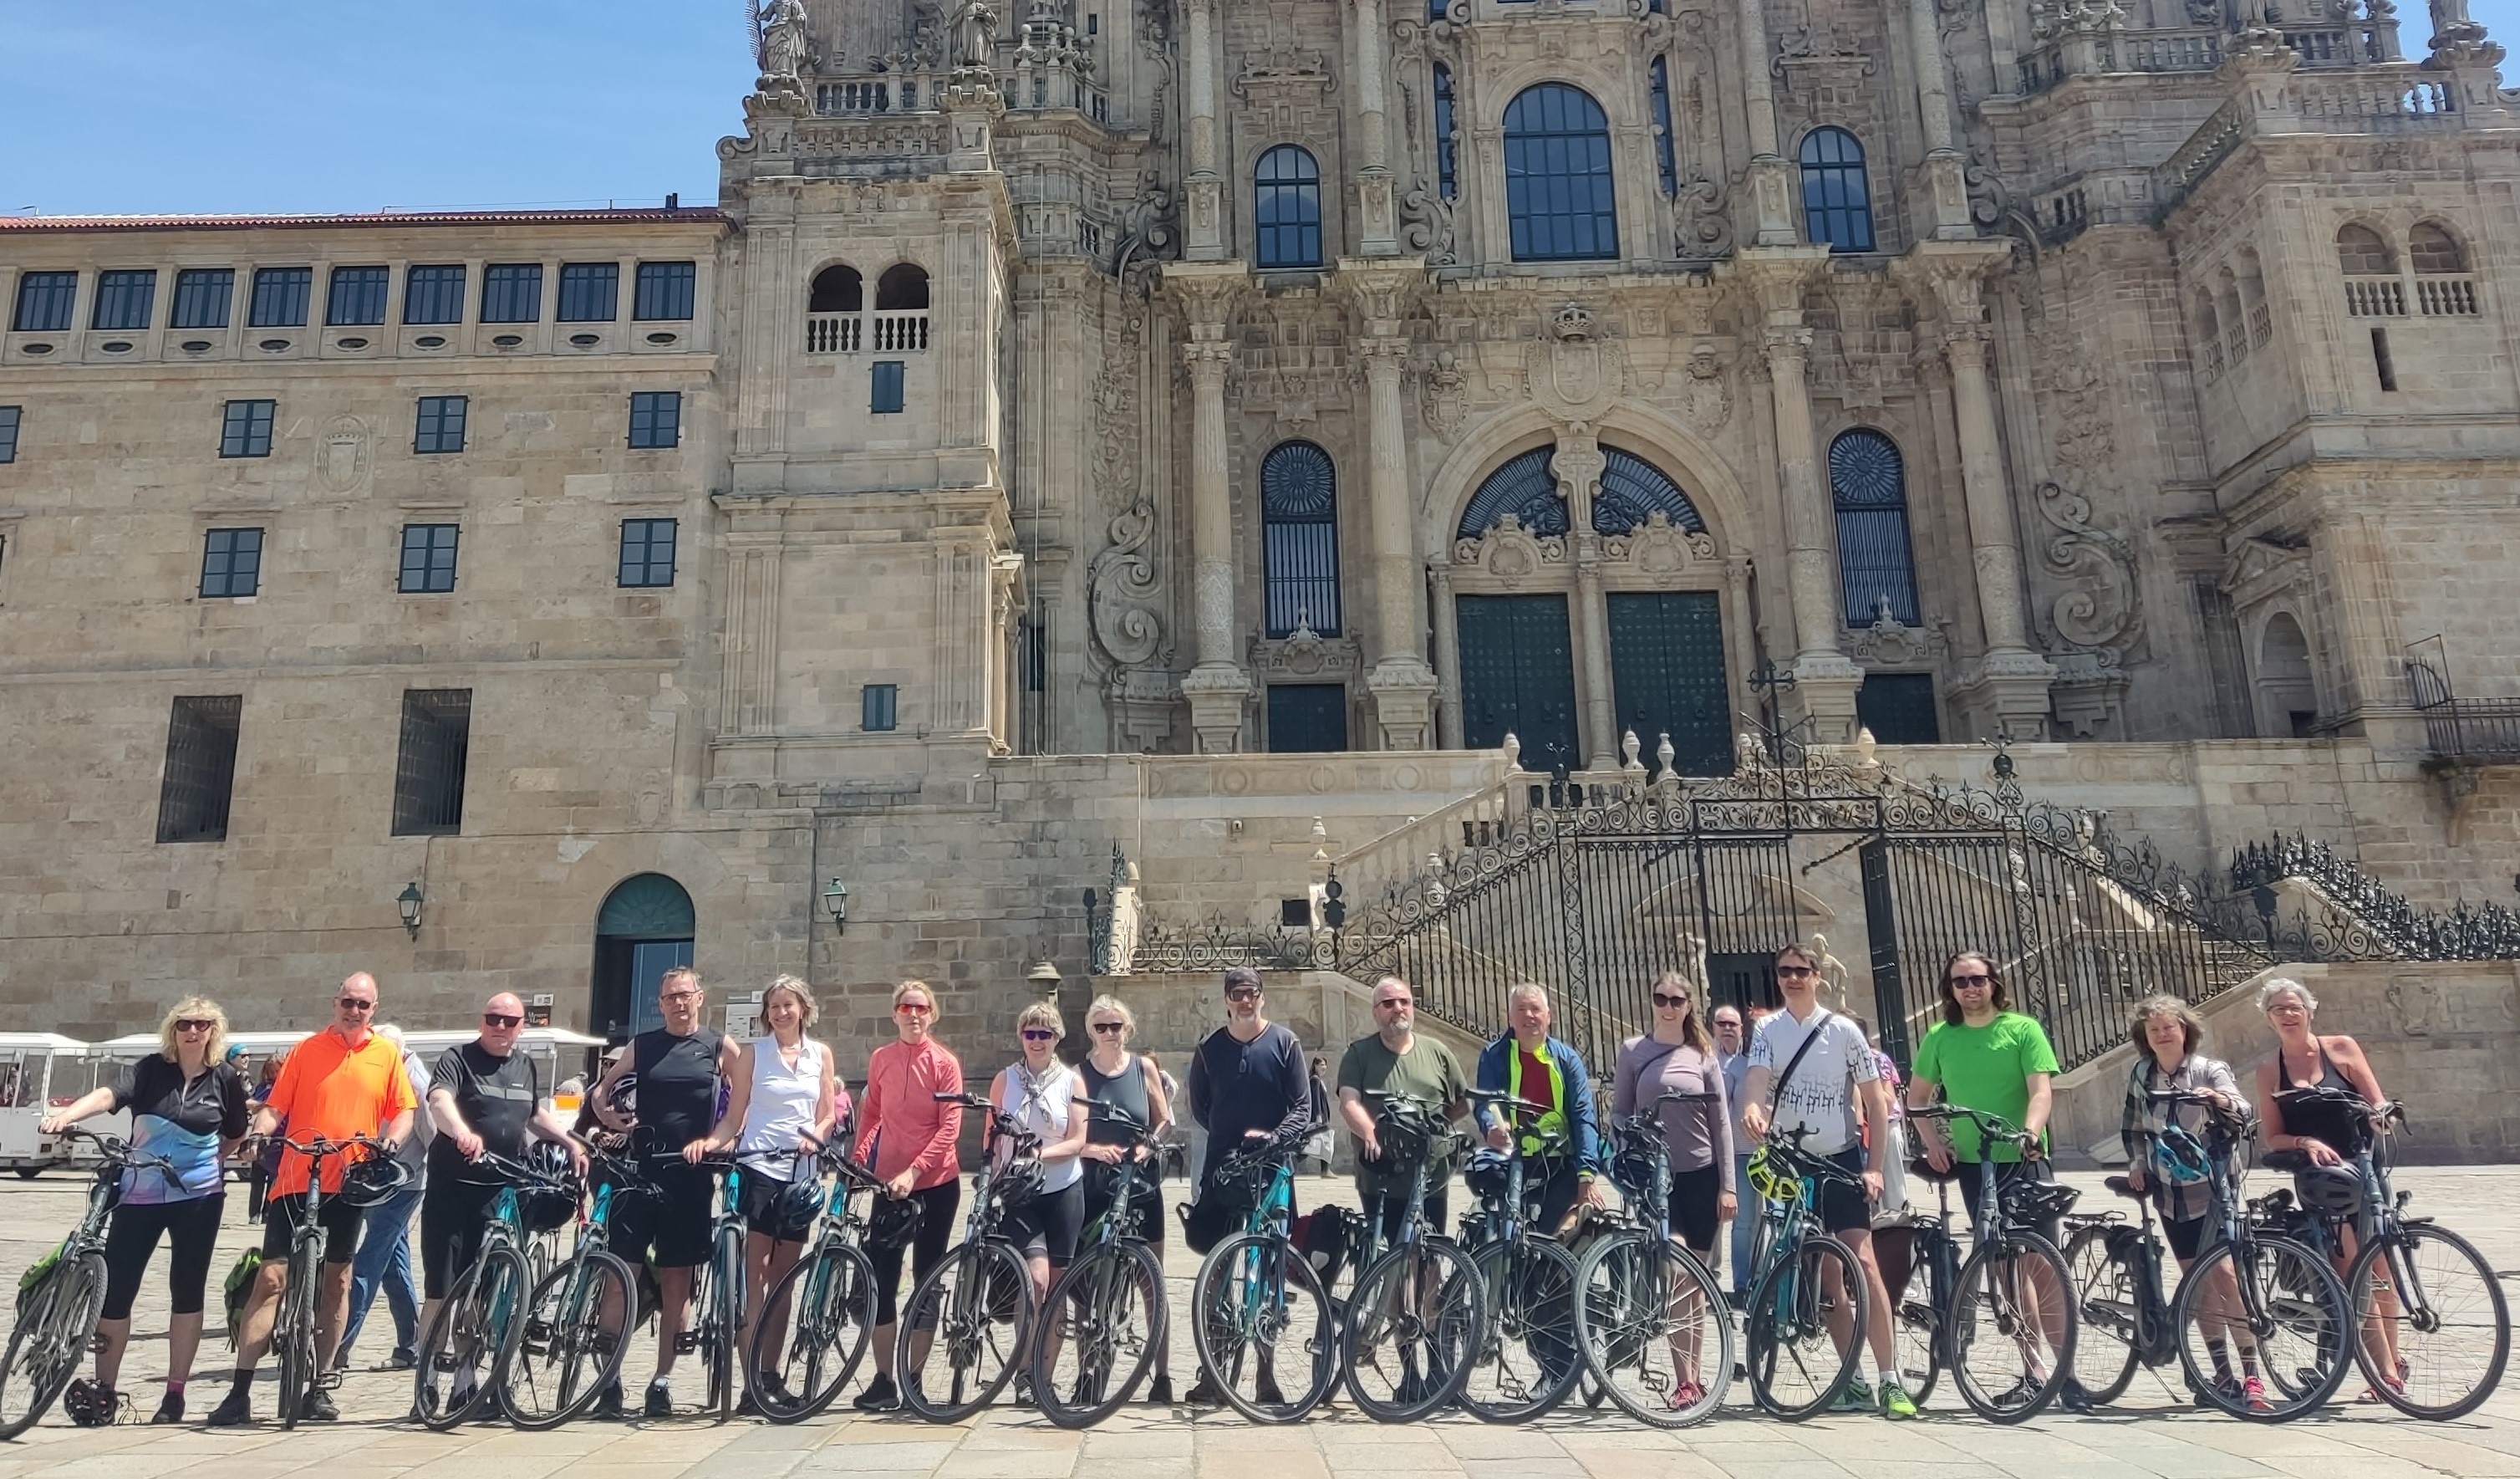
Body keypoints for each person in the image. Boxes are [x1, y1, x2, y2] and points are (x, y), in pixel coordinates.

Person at [209, 973, 418, 1425]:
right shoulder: (306, 1050)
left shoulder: (385, 1055)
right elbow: (276, 1106)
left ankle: (321, 1384)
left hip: (349, 1179)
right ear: (335, 1002)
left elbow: (403, 1109)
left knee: (338, 1282)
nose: (354, 1010)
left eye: (363, 1005)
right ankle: (240, 1391)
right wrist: (260, 1135)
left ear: (374, 1009)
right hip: (296, 1175)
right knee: (270, 1280)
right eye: (348, 1001)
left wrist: (392, 1142)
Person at [42, 998, 249, 1426]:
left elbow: (233, 1135)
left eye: (202, 1025)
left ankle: (175, 1394)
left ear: (214, 1031)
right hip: (139, 1194)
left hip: (198, 1198)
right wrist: (68, 1114)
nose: (193, 1031)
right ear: (173, 1030)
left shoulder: (224, 1078)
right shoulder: (151, 1069)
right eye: (184, 1024)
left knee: (187, 1290)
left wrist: (205, 1165)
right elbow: (109, 1095)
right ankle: (106, 1389)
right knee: (115, 1293)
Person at [1739, 944, 1910, 1419]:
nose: (1793, 978)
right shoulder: (1768, 1030)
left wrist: (1873, 1166)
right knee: (1826, 1272)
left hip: (1839, 1157)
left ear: (1818, 976)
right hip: (1793, 1160)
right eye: (1785, 972)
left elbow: (1876, 1103)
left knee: (1864, 1260)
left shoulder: (1843, 1030)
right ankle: (1851, 1379)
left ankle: (1889, 1379)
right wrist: (1752, 1106)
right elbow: (1756, 1078)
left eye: (1801, 971)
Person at [1905, 952, 2069, 1407]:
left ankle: (2065, 1372)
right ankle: (2034, 1371)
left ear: (1994, 983)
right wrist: (1932, 1143)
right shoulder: (1940, 1036)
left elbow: (2041, 1090)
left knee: (2040, 1262)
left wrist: (2031, 1132)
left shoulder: (2022, 1029)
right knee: (2003, 1266)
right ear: (1950, 989)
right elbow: (1917, 1098)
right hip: (1977, 1165)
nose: (1970, 988)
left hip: (2023, 1156)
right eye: (1960, 982)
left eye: (1978, 980)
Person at [586, 965, 741, 1418]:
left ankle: (662, 1380)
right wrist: (608, 1116)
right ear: (661, 1003)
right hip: (640, 1170)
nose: (677, 1002)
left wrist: (720, 1141)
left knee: (678, 1283)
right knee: (622, 1277)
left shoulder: (716, 1045)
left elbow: (746, 1099)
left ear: (700, 997)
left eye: (684, 994)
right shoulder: (644, 1045)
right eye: (669, 996)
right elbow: (602, 1090)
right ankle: (609, 1382)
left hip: (689, 1175)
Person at [415, 992, 585, 1386]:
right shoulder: (458, 1058)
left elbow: (534, 1114)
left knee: (482, 1290)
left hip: (499, 1191)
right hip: (452, 1188)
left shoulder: (525, 1065)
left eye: (510, 1021)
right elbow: (439, 1100)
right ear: (482, 1021)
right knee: (440, 1291)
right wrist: (461, 1133)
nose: (501, 1027)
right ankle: (426, 1382)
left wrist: (569, 1141)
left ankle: (465, 1380)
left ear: (522, 1026)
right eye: (494, 1019)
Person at [2253, 976, 2401, 1400]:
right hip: (2321, 1181)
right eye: (2278, 1009)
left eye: (2293, 1006)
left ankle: (2394, 1362)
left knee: (2382, 1269)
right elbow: (2274, 1138)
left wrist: (2382, 1118)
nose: (2287, 1014)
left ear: (2309, 1011)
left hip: (2364, 1168)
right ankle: (2386, 1376)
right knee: (2353, 1269)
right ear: (2268, 1018)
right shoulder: (2270, 1070)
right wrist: (2306, 1142)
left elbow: (2376, 1102)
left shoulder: (2342, 1048)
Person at [697, 975, 841, 1413]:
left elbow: (828, 1113)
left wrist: (816, 1136)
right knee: (754, 1279)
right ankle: (749, 1381)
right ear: (766, 1014)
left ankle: (770, 1375)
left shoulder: (821, 1055)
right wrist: (712, 1143)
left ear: (803, 1008)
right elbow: (733, 1117)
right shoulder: (753, 1056)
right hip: (758, 1167)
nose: (781, 1013)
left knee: (783, 1280)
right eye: (774, 1006)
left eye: (788, 1005)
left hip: (800, 1173)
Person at [2120, 994, 2268, 1412]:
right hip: (2170, 1192)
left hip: (2213, 1187)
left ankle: (2252, 1373)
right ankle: (2221, 1373)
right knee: (2196, 1280)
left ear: (2185, 1030)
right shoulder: (2141, 1073)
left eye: (2170, 1027)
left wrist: (2218, 1099)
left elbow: (2242, 1108)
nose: (2164, 1034)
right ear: (2145, 1038)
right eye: (2155, 1029)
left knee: (2224, 1278)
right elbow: (2132, 1126)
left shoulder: (2209, 1069)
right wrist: (2137, 1163)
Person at [1182, 966, 1311, 1405]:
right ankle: (1213, 1374)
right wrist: (1229, 1138)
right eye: (1237, 993)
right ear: (1226, 999)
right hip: (1224, 1168)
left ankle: (1266, 1375)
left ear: (1262, 996)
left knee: (1270, 1270)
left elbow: (1302, 1106)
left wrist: (1274, 1139)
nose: (1244, 1000)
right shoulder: (1209, 1050)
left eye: (1251, 992)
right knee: (1218, 1270)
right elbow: (1200, 1106)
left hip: (1272, 1171)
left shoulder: (1285, 1043)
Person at [1610, 971, 1733, 1411]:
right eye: (1660, 997)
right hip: (1656, 1179)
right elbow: (1620, 1113)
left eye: (1676, 1000)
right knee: (1680, 1274)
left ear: (1687, 1006)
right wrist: (1630, 1154)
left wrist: (1729, 1186)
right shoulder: (1633, 1051)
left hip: (1701, 1174)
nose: (1667, 1006)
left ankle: (1694, 1379)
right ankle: (1686, 1379)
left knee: (1694, 1285)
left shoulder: (1702, 1054)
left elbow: (1721, 1124)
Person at [853, 979, 965, 1413]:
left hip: (935, 1184)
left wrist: (915, 1170)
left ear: (931, 1014)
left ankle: (913, 1378)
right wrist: (860, 1161)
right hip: (888, 1185)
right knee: (881, 1278)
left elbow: (950, 1127)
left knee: (927, 1279)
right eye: (905, 1008)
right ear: (895, 1013)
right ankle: (884, 1381)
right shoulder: (882, 1059)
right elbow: (873, 1113)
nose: (913, 1015)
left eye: (920, 1008)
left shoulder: (945, 1063)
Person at [1077, 995, 1173, 1404]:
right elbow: (1071, 1132)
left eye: (1116, 1026)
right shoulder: (1078, 1075)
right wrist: (1092, 1150)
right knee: (1086, 1284)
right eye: (1102, 1027)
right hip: (1095, 1184)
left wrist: (1150, 1146)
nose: (1110, 1033)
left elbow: (1165, 1119)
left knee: (1152, 1281)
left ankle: (1162, 1375)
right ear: (1090, 1032)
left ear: (1128, 1029)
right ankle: (1088, 1373)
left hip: (1140, 1183)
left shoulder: (1143, 1068)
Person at [991, 1002, 1091, 1400]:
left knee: (1059, 1288)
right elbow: (994, 1135)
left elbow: (1078, 1139)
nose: (1037, 1041)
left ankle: (1044, 1378)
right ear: (1021, 1037)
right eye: (1030, 1033)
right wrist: (997, 1176)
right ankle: (1024, 1373)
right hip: (1022, 1191)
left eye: (1045, 1034)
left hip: (1064, 1188)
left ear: (1057, 1039)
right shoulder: (1005, 1080)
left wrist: (1039, 1155)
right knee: (1034, 1280)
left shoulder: (1072, 1082)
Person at [1336, 975, 1470, 1252]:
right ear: (1375, 1012)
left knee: (1429, 1254)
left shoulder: (1438, 1052)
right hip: (1380, 1175)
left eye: (1404, 1002)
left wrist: (1439, 1127)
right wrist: (1370, 1132)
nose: (1398, 1008)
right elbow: (1349, 1102)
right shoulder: (1359, 1054)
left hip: (1430, 1174)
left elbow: (1464, 1101)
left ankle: (1424, 1298)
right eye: (1388, 1003)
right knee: (1382, 1256)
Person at [333, 1024, 430, 1375]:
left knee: (368, 1262)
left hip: (402, 1185)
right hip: (379, 1181)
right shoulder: (389, 1076)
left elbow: (433, 1139)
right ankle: (411, 1345)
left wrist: (425, 1187)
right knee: (393, 1265)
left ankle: (339, 1346)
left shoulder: (416, 1082)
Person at [1473, 984, 1606, 1236]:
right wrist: (1491, 1126)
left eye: (1535, 1009)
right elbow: (1486, 1102)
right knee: (1506, 1234)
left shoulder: (1566, 1059)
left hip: (1558, 1162)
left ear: (1549, 1016)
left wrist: (1586, 1173)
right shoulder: (1493, 1056)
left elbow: (1583, 1115)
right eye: (1521, 1009)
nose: (1529, 1016)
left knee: (1557, 1235)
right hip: (1513, 1160)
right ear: (1510, 1018)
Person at [1712, 1002, 1754, 1299]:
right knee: (1712, 1220)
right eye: (1722, 1023)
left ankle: (1743, 1282)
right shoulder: (1704, 1062)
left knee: (1746, 1221)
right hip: (1712, 1152)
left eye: (1733, 1024)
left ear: (1742, 1029)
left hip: (1747, 1150)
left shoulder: (1751, 1064)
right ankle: (1707, 1280)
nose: (1728, 1028)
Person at [246, 1052, 287, 1223]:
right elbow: (251, 1104)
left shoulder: (286, 1086)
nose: (272, 1075)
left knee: (274, 1177)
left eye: (276, 1070)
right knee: (257, 1178)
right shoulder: (263, 1087)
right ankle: (254, 1214)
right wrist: (263, 1104)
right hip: (262, 1136)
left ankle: (268, 1212)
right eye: (270, 1071)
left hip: (281, 1136)